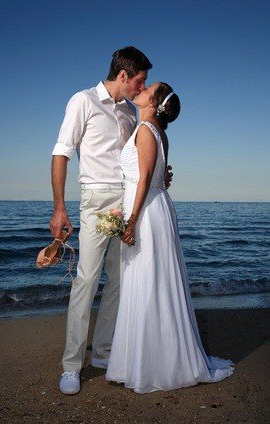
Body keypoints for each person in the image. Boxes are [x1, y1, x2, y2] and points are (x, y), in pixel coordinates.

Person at [106, 82, 235, 393]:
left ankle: (157, 363)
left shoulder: (148, 131)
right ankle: (136, 360)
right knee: (148, 282)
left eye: (149, 87)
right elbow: (157, 176)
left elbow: (147, 178)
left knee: (150, 283)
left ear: (154, 103)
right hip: (153, 208)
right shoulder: (152, 130)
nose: (142, 88)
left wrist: (131, 221)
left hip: (147, 213)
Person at [50, 46, 153, 395]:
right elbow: (61, 152)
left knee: (120, 281)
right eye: (139, 80)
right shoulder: (82, 100)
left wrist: (156, 176)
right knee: (86, 281)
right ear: (122, 75)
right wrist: (60, 208)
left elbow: (134, 159)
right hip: (94, 200)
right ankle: (71, 366)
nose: (142, 87)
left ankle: (104, 353)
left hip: (125, 200)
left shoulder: (129, 112)